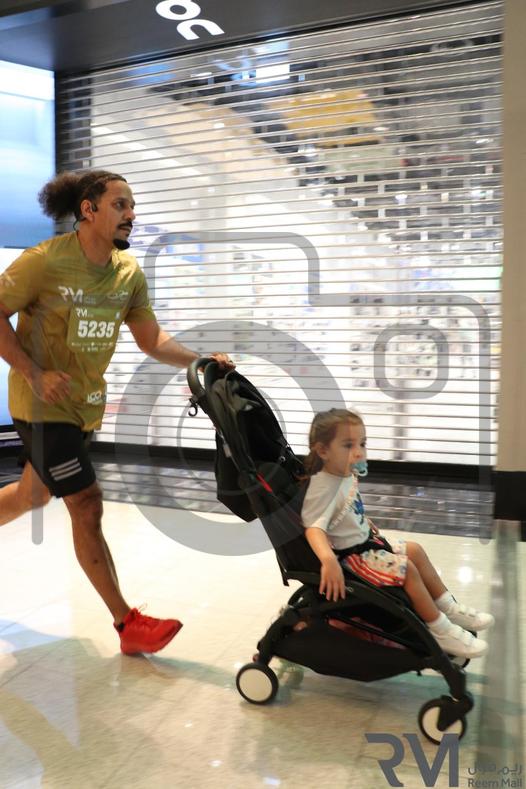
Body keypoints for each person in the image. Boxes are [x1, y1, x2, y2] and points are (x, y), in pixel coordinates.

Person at [0, 170, 235, 656]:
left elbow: (151, 340)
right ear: (88, 210)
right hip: (41, 406)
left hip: (83, 407)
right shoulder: (44, 261)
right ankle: (127, 623)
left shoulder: (128, 274)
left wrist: (201, 360)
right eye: (120, 205)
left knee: (32, 495)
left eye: (132, 206)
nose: (131, 214)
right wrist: (32, 372)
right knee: (86, 502)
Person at [301, 408, 494, 659]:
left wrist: (363, 523)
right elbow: (314, 527)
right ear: (323, 450)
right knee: (407, 570)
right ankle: (439, 629)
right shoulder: (323, 488)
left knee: (415, 550)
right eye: (348, 445)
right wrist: (328, 560)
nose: (359, 451)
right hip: (353, 558)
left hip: (367, 543)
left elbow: (344, 513)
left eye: (362, 443)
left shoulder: (343, 473)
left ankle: (448, 608)